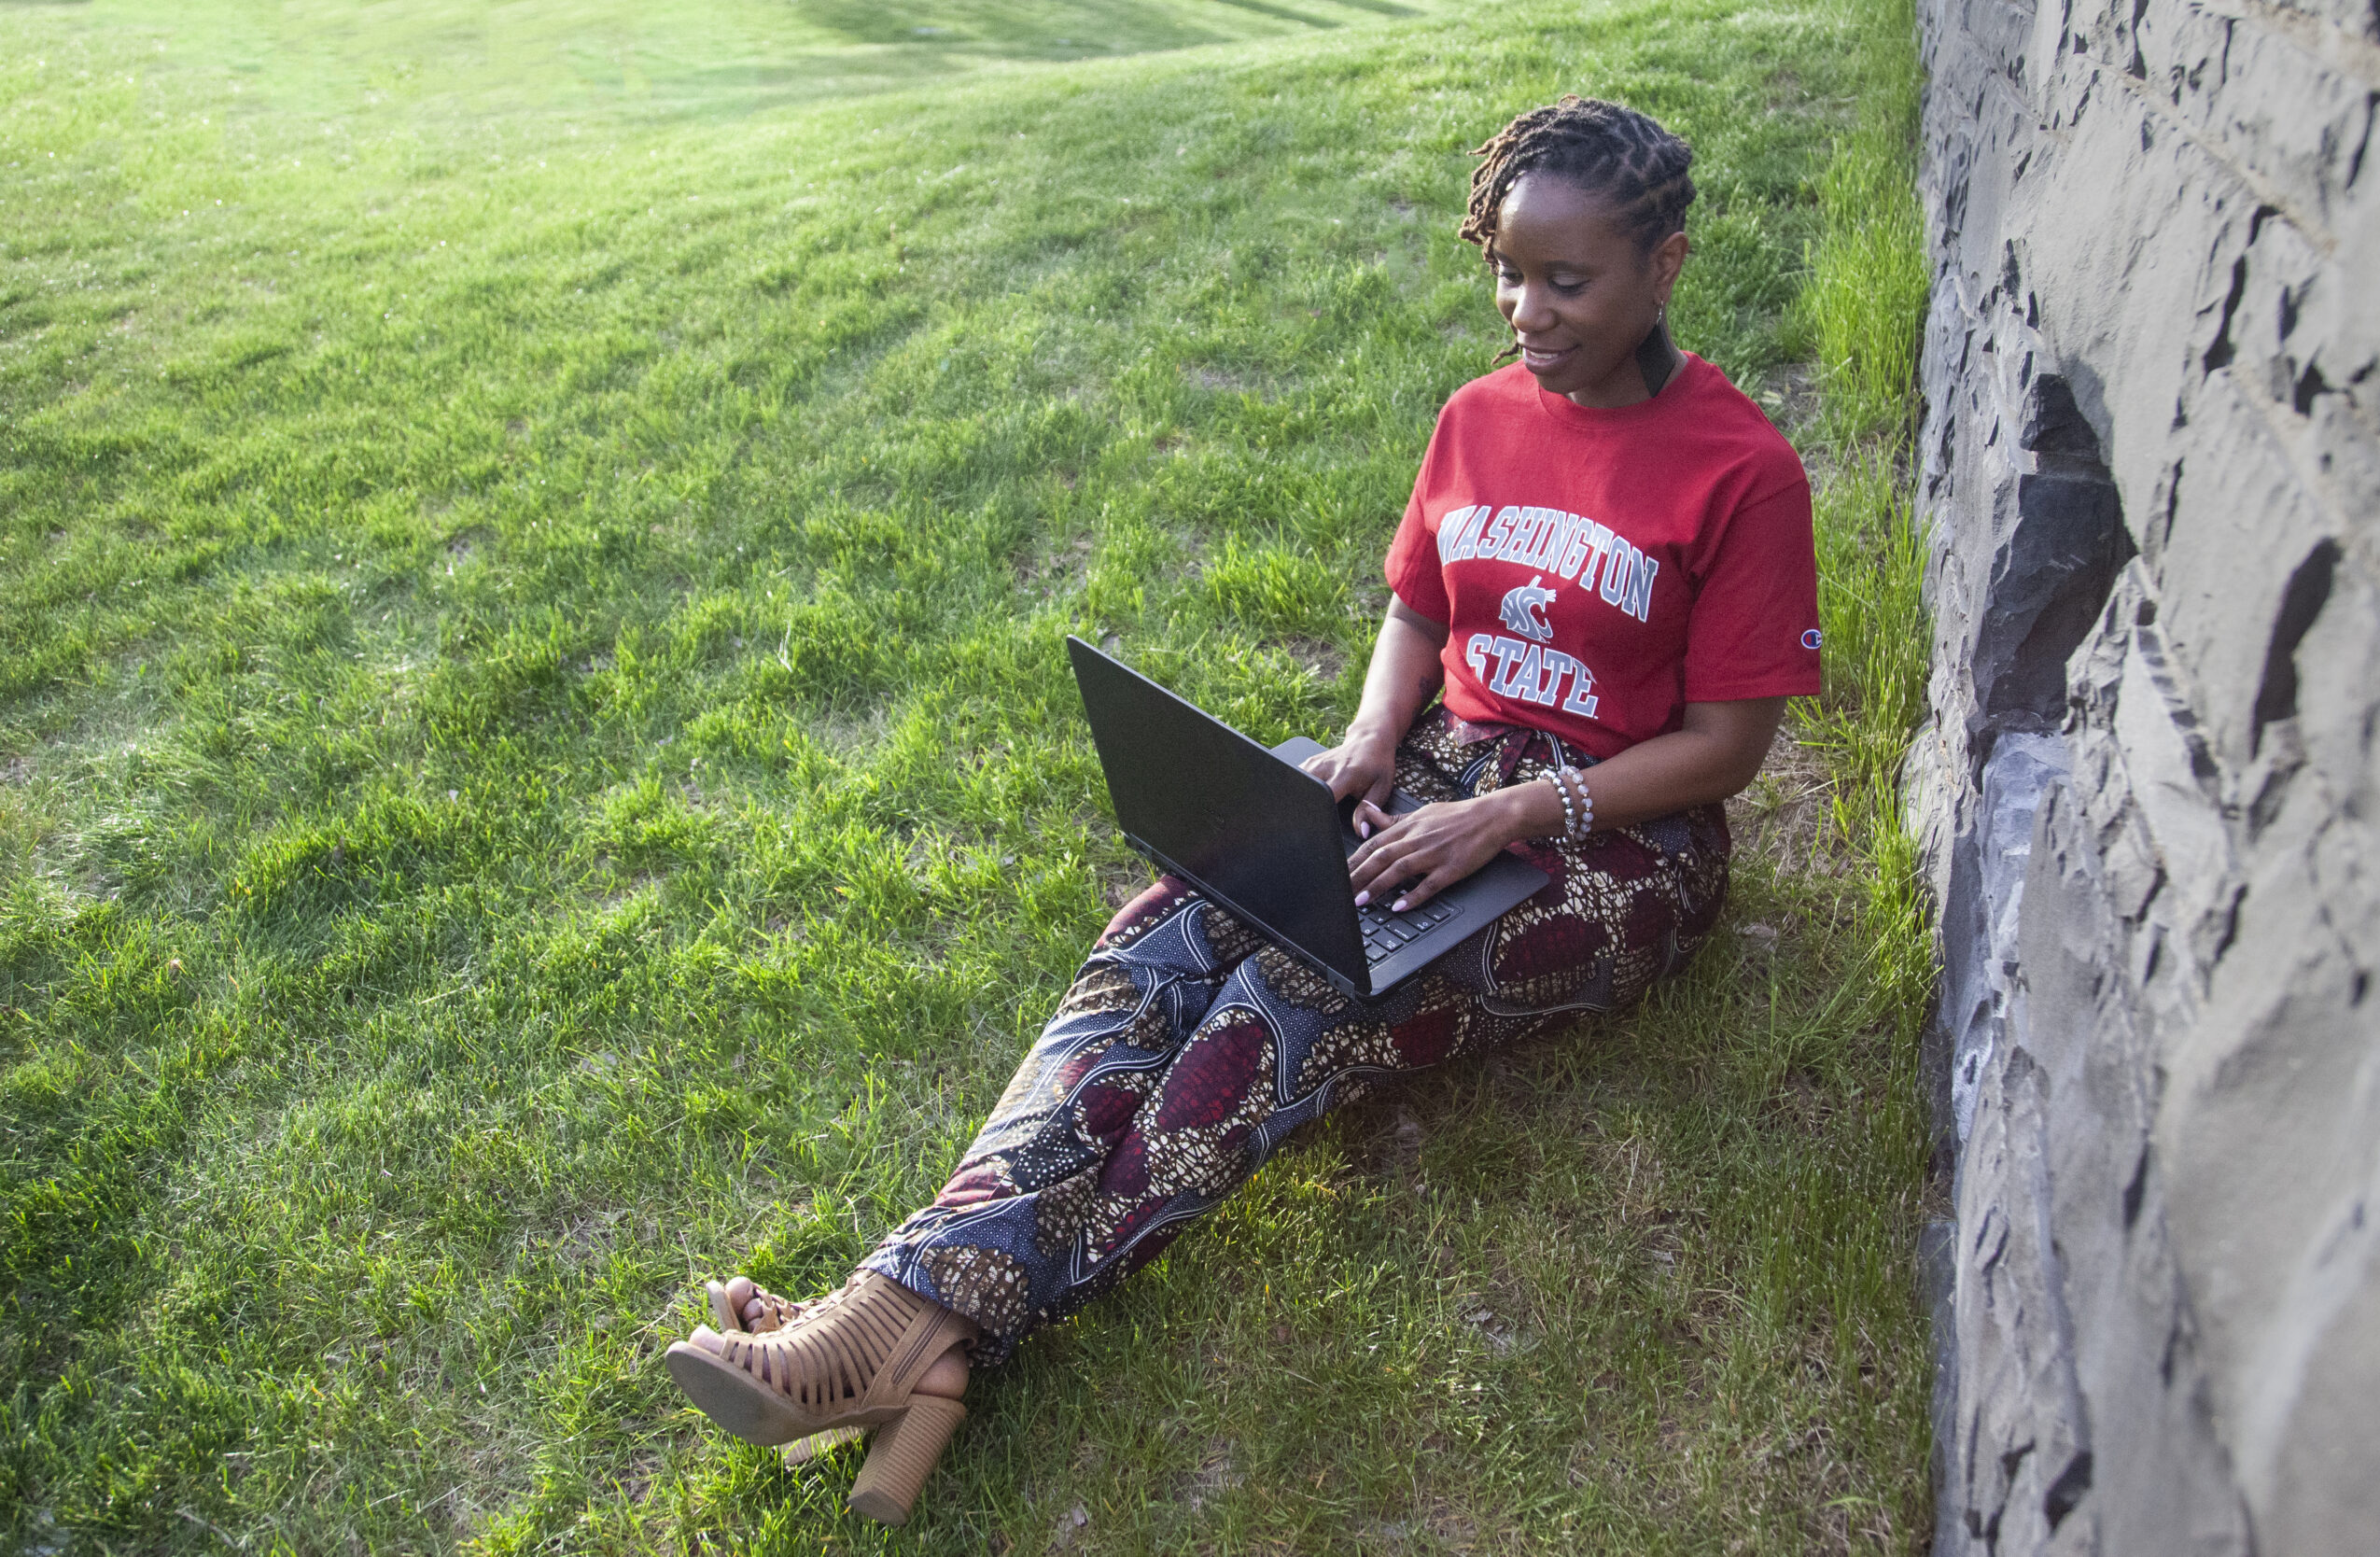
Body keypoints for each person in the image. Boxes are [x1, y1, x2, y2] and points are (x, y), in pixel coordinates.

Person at [664, 94, 1821, 1525]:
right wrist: (1369, 737)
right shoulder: (1476, 419)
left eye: (1565, 281)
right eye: (1507, 274)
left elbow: (1727, 750)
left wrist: (1515, 814)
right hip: (1444, 775)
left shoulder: (1743, 471)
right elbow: (1417, 604)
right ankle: (912, 1317)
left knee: (1300, 994)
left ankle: (905, 1331)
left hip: (1617, 844)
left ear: (1667, 267)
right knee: (1164, 933)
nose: (1526, 309)